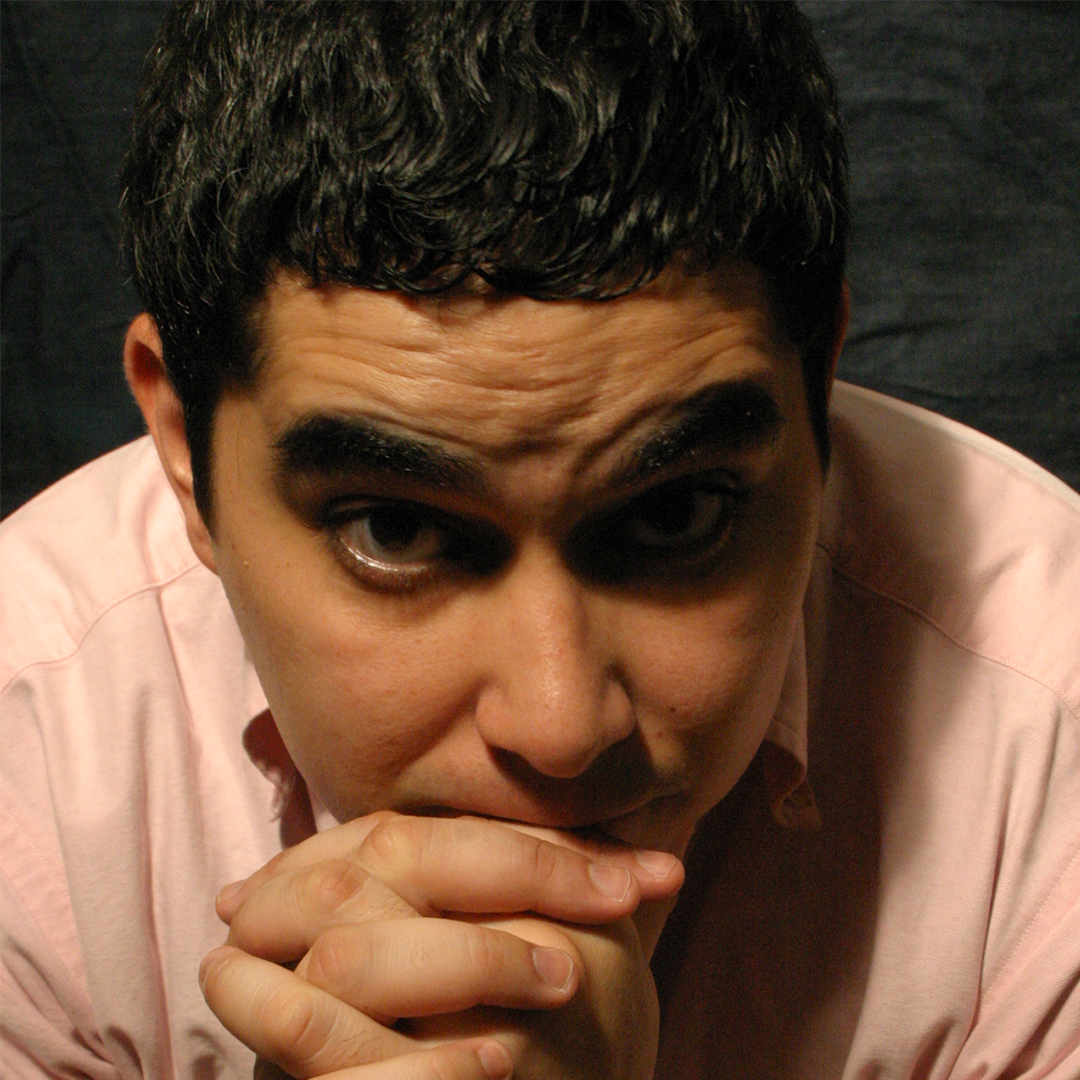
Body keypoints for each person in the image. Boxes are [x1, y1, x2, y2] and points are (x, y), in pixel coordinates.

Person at [1, 3, 1077, 1078]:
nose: (559, 730)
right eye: (395, 529)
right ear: (182, 447)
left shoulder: (1051, 728)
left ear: (818, 393)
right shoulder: (28, 746)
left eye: (676, 516)